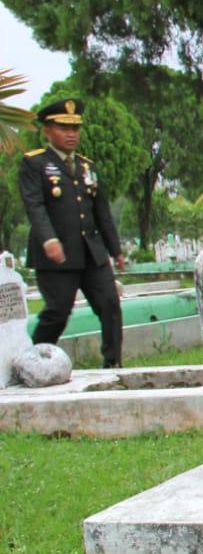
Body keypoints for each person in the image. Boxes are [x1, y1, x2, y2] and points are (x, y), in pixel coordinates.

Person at [19, 99, 125, 368]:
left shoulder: (88, 167)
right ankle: (33, 363)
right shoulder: (36, 164)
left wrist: (116, 250)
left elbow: (101, 212)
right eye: (63, 128)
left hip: (91, 252)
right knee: (57, 313)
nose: (71, 134)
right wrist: (49, 239)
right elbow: (35, 205)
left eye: (75, 128)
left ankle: (113, 365)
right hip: (58, 255)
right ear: (47, 131)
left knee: (110, 304)